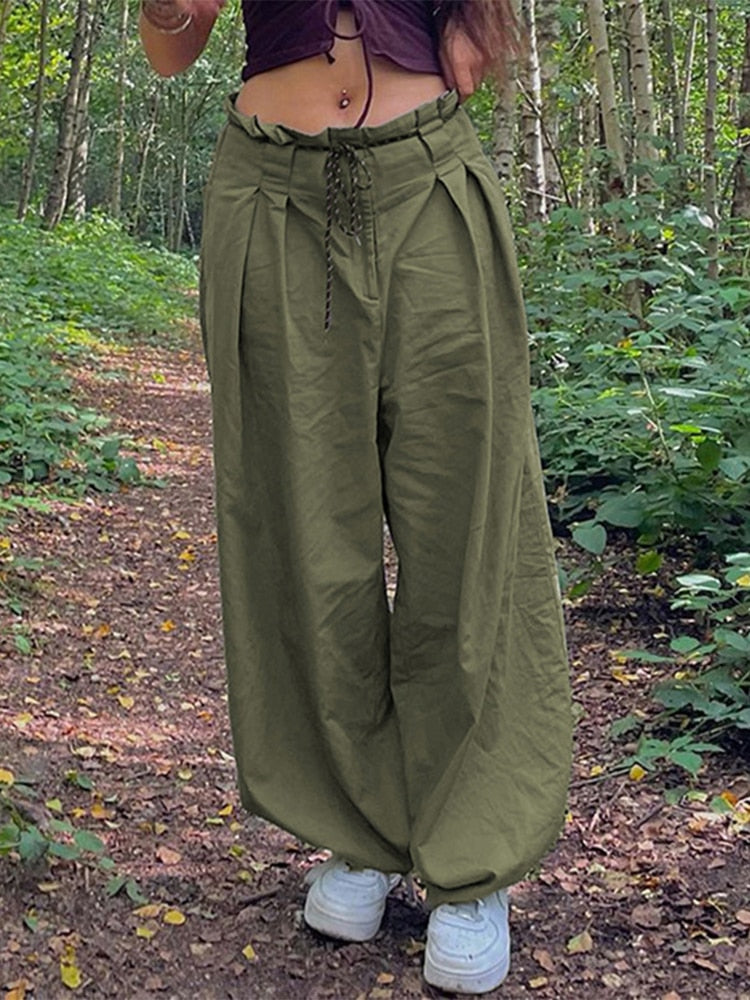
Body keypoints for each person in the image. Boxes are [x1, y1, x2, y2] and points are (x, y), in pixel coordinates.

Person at [140, 1, 572, 993]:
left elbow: (471, 56)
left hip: (426, 181)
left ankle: (473, 856)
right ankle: (363, 830)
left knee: (466, 520)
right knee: (302, 526)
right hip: (270, 189)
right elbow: (170, 51)